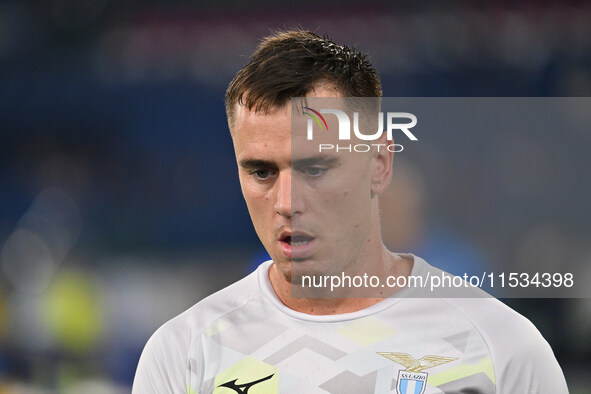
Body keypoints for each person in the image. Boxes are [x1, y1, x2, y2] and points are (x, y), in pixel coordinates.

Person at [132, 30, 568, 393]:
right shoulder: (182, 356)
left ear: (379, 164)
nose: (286, 202)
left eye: (316, 168)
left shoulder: (502, 349)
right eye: (261, 171)